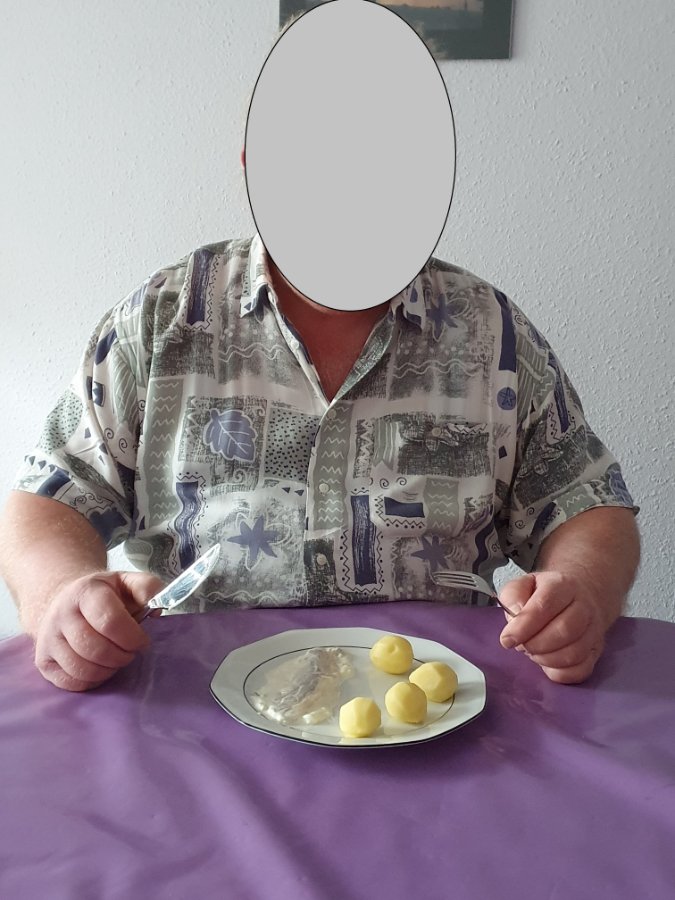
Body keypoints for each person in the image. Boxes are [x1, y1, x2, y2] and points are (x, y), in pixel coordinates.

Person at [0, 6, 640, 693]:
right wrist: (60, 596)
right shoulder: (163, 319)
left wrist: (580, 591)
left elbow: (586, 502)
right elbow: (51, 496)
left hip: (436, 701)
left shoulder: (491, 330)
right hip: (197, 699)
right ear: (254, 165)